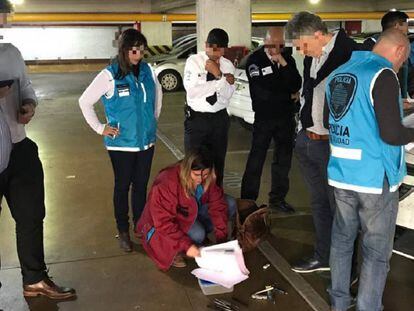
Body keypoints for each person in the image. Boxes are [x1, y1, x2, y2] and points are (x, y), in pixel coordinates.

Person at [324, 29, 413, 311]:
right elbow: (391, 134)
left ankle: (339, 302)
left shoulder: (339, 73)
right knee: (375, 251)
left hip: (341, 173)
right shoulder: (383, 74)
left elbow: (331, 121)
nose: (401, 66)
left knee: (342, 240)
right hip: (374, 178)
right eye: (404, 60)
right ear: (399, 51)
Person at [0, 1, 76, 299]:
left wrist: (29, 105)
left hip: (19, 147)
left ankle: (34, 278)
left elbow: (27, 88)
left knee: (31, 216)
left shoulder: (11, 53)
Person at [285, 12, 359, 273]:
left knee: (341, 208)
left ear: (317, 34)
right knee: (319, 203)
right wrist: (300, 130)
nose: (302, 52)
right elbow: (310, 92)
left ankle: (345, 268)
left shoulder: (350, 52)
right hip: (307, 140)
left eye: (302, 45)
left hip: (334, 145)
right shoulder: (312, 58)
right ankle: (324, 255)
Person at [79, 28, 162, 252]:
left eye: (142, 51)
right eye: (135, 51)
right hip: (121, 145)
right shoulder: (109, 75)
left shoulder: (148, 71)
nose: (139, 55)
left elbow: (157, 98)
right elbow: (84, 101)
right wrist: (100, 128)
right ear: (124, 50)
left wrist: (151, 122)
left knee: (141, 185)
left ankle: (141, 226)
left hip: (146, 143)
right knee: (122, 186)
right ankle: (123, 230)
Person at [136, 148, 236, 270]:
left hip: (190, 212)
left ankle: (195, 240)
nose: (200, 179)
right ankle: (176, 249)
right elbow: (163, 222)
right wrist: (186, 245)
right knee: (198, 234)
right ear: (187, 169)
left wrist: (221, 239)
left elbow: (218, 206)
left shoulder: (208, 177)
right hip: (162, 223)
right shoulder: (166, 182)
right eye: (196, 175)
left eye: (205, 175)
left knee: (230, 203)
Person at [240, 27, 302, 213]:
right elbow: (262, 93)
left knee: (283, 160)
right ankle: (248, 200)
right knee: (256, 159)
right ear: (266, 42)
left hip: (285, 118)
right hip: (264, 119)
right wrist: (288, 94)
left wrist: (282, 62)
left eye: (280, 45)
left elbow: (296, 83)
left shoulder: (287, 59)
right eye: (273, 44)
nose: (277, 48)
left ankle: (278, 198)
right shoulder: (255, 61)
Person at [183, 28, 235, 187]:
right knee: (194, 165)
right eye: (210, 47)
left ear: (224, 48)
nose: (214, 52)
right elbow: (192, 92)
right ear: (205, 45)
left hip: (219, 119)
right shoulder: (194, 61)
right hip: (197, 120)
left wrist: (219, 74)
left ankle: (215, 203)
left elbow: (227, 95)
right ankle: (193, 204)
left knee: (218, 164)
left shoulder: (228, 65)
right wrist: (220, 80)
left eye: (219, 48)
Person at [360, 10, 411, 103]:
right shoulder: (367, 50)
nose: (407, 31)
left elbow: (407, 75)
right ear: (397, 26)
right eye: (406, 27)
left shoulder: (401, 48)